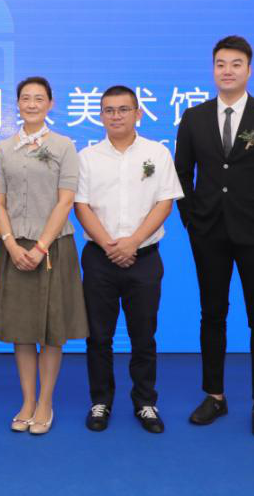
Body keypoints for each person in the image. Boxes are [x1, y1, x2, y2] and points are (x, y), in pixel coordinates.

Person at [173, 35, 254, 438]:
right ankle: (215, 395)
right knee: (212, 314)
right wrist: (191, 221)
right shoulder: (194, 117)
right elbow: (181, 174)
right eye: (221, 64)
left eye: (236, 64)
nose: (227, 71)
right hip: (208, 232)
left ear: (249, 70)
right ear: (213, 69)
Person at [74, 85, 185, 434]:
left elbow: (165, 202)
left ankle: (145, 402)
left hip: (145, 257)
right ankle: (100, 401)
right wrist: (110, 245)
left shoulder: (157, 153)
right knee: (98, 336)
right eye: (109, 110)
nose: (116, 116)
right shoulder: (87, 157)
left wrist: (133, 242)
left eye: (123, 109)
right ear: (100, 115)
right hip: (99, 258)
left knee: (144, 335)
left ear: (138, 113)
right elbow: (81, 205)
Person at [0, 77, 87, 435]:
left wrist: (41, 245)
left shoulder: (64, 146)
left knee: (51, 330)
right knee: (22, 329)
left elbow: (66, 200)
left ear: (50, 103)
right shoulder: (3, 149)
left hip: (53, 247)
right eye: (26, 98)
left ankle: (45, 402)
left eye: (39, 98)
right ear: (17, 104)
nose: (31, 104)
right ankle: (27, 401)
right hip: (13, 247)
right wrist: (11, 244)